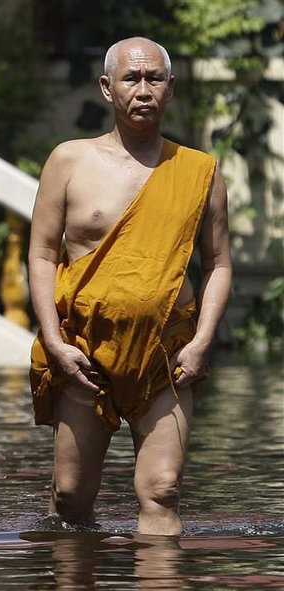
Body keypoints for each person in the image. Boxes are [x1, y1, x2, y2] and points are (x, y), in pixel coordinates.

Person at [28, 37, 232, 535]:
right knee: (71, 496)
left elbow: (220, 264)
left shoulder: (199, 171)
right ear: (107, 87)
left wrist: (202, 342)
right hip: (83, 351)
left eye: (155, 79)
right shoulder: (69, 161)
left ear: (170, 88)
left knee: (161, 490)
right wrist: (54, 343)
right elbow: (40, 255)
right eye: (131, 79)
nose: (143, 90)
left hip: (167, 355)